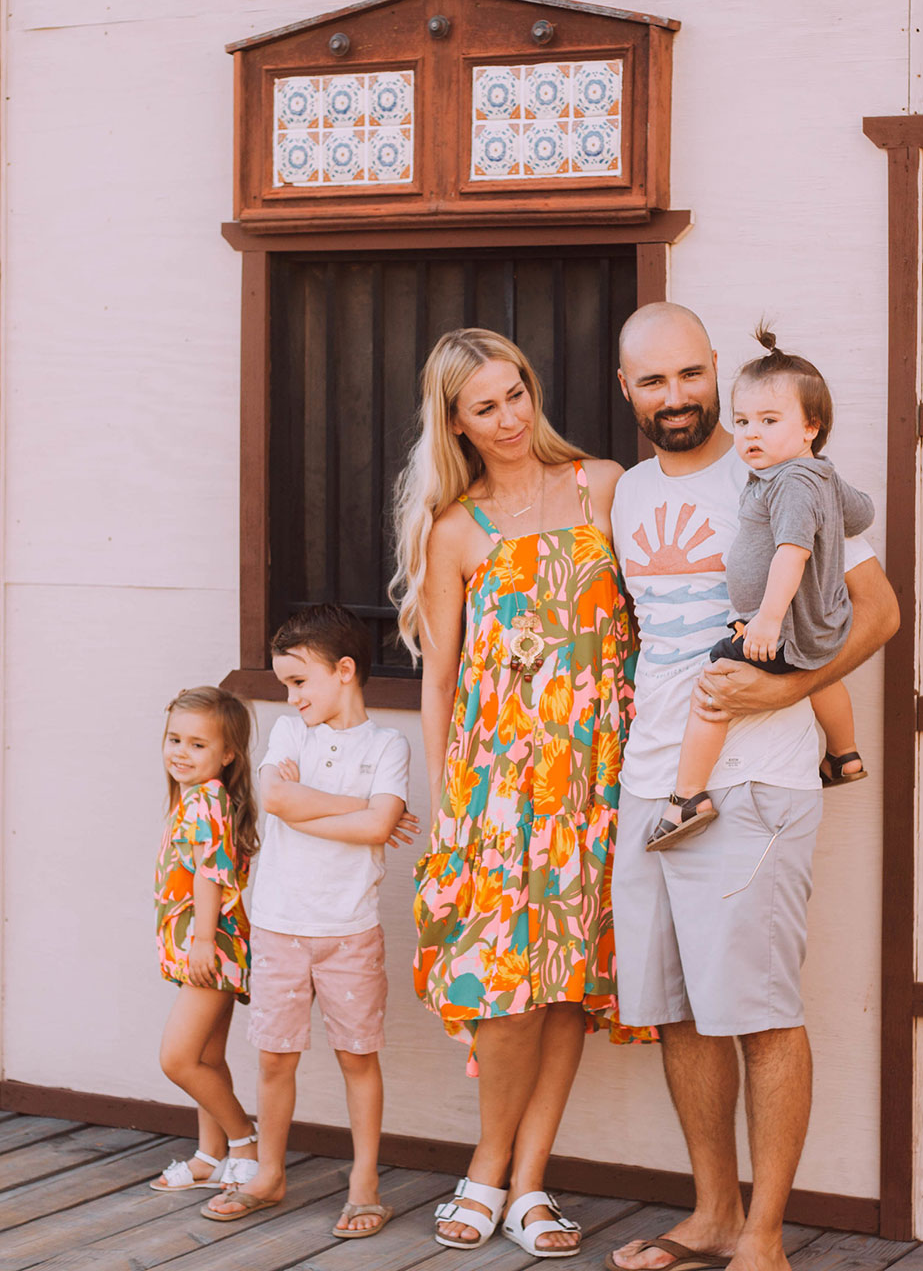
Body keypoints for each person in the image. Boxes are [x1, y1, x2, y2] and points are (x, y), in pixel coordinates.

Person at [606, 302, 898, 1271]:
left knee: (762, 1009)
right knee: (682, 1009)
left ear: (715, 371)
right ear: (627, 391)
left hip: (759, 783)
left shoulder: (777, 467)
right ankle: (712, 1214)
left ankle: (764, 1236)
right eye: (653, 380)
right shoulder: (625, 492)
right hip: (652, 780)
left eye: (690, 374)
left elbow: (879, 609)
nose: (676, 395)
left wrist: (787, 684)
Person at [391, 327, 649, 1260]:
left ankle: (529, 1182)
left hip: (597, 779)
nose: (507, 419)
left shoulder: (606, 485)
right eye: (483, 407)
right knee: (503, 989)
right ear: (454, 423)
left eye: (516, 395)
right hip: (497, 789)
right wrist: (449, 795)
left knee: (568, 986)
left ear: (533, 390)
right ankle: (487, 1163)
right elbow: (440, 679)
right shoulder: (456, 529)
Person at [203, 604, 416, 1239]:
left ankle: (364, 1182)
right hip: (278, 927)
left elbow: (380, 827)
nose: (289, 696)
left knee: (358, 1057)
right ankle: (268, 1172)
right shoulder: (290, 733)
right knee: (274, 1059)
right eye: (284, 684)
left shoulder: (387, 744)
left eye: (299, 681)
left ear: (345, 671)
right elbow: (277, 799)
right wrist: (357, 806)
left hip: (348, 930)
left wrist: (328, 812)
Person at [646, 323, 874, 852]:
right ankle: (844, 754)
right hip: (821, 627)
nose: (751, 434)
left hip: (785, 626)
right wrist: (830, 484)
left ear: (810, 426)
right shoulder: (817, 474)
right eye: (743, 420)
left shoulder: (792, 482)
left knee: (711, 692)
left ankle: (687, 798)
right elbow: (860, 513)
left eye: (769, 421)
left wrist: (767, 621)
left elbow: (791, 554)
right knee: (822, 678)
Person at [150, 686, 259, 1193]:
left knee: (178, 1059)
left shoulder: (207, 800)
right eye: (175, 739)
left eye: (198, 744)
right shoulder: (196, 799)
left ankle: (244, 1143)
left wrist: (200, 940)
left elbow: (210, 875)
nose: (181, 752)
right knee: (207, 1060)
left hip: (210, 947)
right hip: (206, 945)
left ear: (227, 753)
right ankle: (209, 1156)